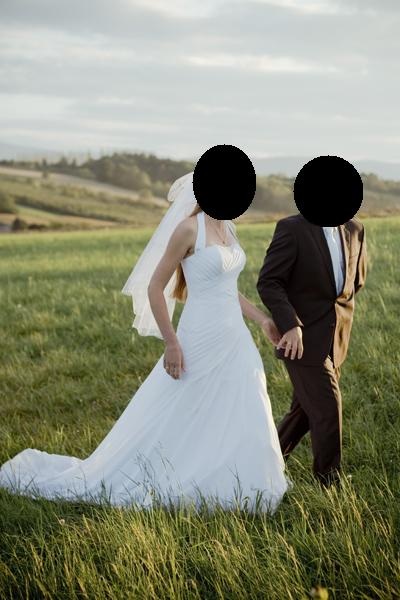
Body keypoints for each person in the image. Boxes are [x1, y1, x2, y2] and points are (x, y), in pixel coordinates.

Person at [0, 172, 292, 513]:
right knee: (186, 406)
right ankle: (182, 472)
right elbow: (156, 286)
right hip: (199, 335)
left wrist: (262, 320)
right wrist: (171, 342)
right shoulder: (188, 229)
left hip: (234, 337)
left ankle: (246, 479)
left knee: (245, 396)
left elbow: (227, 287)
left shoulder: (227, 227)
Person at [256, 212, 367, 487]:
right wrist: (290, 324)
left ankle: (262, 465)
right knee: (327, 407)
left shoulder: (355, 228)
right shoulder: (292, 228)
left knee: (304, 412)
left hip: (337, 337)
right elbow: (269, 281)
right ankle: (329, 483)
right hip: (299, 340)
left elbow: (355, 282)